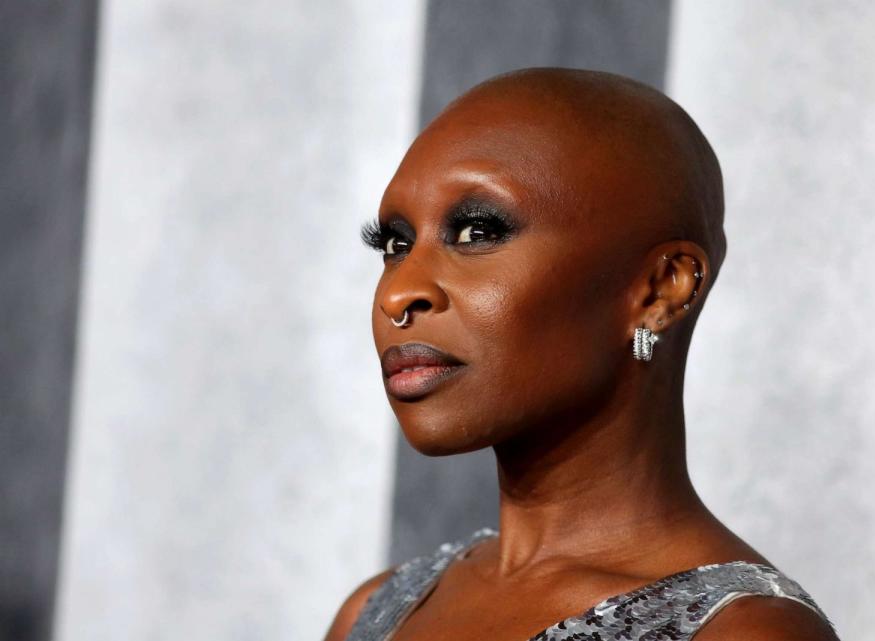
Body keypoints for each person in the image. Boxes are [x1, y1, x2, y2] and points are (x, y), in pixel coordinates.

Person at [324, 67, 840, 641]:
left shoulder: (742, 633)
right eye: (395, 244)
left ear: (660, 289)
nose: (397, 293)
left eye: (477, 232)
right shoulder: (373, 613)